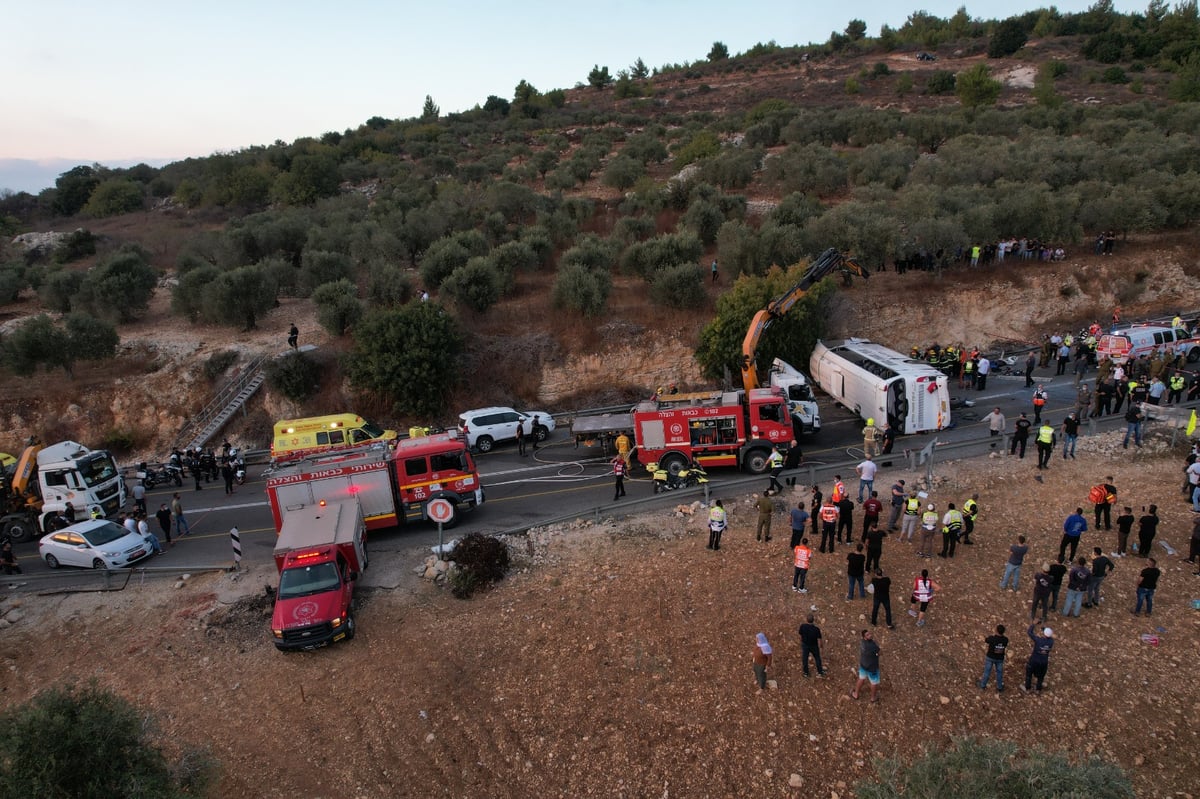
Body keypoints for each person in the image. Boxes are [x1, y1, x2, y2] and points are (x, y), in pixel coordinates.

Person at [850, 629, 882, 702]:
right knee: (874, 682)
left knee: (861, 678)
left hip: (863, 665)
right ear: (864, 637)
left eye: (869, 633)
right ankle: (873, 698)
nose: (870, 635)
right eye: (867, 635)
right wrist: (877, 653)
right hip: (872, 667)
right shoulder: (872, 645)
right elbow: (880, 652)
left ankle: (856, 694)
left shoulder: (862, 642)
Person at [1023, 625, 1055, 693]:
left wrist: (1033, 625)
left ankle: (1028, 688)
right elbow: (1049, 636)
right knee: (1041, 676)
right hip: (1044, 662)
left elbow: (1029, 632)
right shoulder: (1051, 642)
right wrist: (1044, 629)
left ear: (1044, 634)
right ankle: (1038, 689)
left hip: (1034, 660)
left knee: (1029, 673)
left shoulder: (1038, 640)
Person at [978, 624, 1009, 692]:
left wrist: (982, 636)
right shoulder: (1005, 640)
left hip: (990, 657)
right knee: (999, 673)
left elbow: (986, 640)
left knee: (987, 672)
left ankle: (982, 685)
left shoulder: (992, 638)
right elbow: (1005, 645)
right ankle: (999, 687)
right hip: (1000, 659)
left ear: (996, 630)